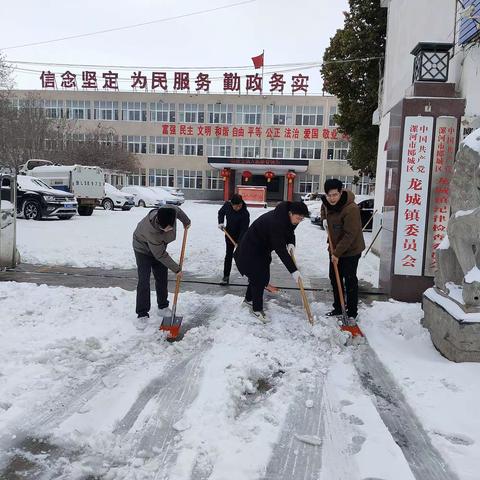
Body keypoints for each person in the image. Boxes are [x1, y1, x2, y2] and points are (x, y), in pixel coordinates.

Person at [234, 201, 309, 323]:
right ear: (290, 213)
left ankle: (248, 300)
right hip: (251, 248)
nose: (299, 221)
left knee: (259, 276)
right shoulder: (277, 222)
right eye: (298, 218)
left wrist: (291, 242)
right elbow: (280, 250)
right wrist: (294, 271)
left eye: (302, 219)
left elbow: (290, 230)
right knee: (258, 278)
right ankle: (257, 309)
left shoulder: (289, 217)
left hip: (262, 248)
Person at [132, 205, 191, 328]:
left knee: (162, 277)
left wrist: (186, 221)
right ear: (159, 225)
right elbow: (160, 255)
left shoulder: (170, 212)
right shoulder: (151, 231)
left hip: (159, 247)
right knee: (144, 280)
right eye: (167, 229)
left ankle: (163, 306)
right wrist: (177, 269)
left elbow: (178, 211)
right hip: (143, 250)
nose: (170, 230)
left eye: (171, 227)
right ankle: (142, 314)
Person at [320, 179, 365, 323]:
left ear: (341, 192)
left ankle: (352, 312)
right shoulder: (327, 203)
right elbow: (323, 208)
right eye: (329, 195)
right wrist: (323, 219)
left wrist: (336, 254)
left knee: (349, 280)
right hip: (334, 247)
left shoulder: (351, 209)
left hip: (351, 249)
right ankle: (339, 307)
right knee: (335, 278)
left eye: (335, 195)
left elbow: (350, 235)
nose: (332, 198)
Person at [217, 193, 250, 285]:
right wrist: (221, 222)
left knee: (243, 257)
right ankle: (226, 277)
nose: (237, 208)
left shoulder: (245, 213)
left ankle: (250, 276)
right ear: (231, 204)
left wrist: (239, 243)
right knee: (228, 256)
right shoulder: (227, 205)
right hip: (229, 234)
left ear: (241, 204)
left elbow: (244, 230)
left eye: (239, 206)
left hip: (242, 236)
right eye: (235, 206)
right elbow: (221, 212)